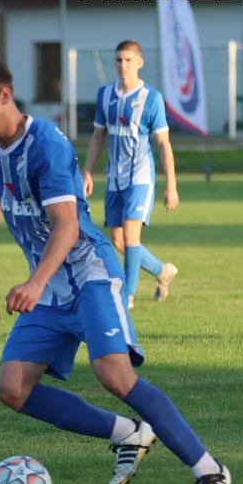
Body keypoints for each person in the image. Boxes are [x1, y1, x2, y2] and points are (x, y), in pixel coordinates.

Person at [0, 53, 231, 484]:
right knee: (12, 390)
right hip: (50, 283)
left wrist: (35, 283)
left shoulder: (47, 146)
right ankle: (129, 435)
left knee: (113, 375)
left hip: (88, 274)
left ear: (4, 95)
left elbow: (67, 227)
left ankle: (210, 471)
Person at [82, 40, 179, 310]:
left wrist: (171, 185)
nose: (123, 65)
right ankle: (162, 270)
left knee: (132, 237)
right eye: (118, 60)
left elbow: (163, 144)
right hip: (114, 177)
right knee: (117, 240)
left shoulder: (152, 99)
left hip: (141, 177)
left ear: (139, 62)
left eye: (128, 60)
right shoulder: (105, 95)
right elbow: (98, 136)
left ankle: (127, 298)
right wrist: (87, 171)